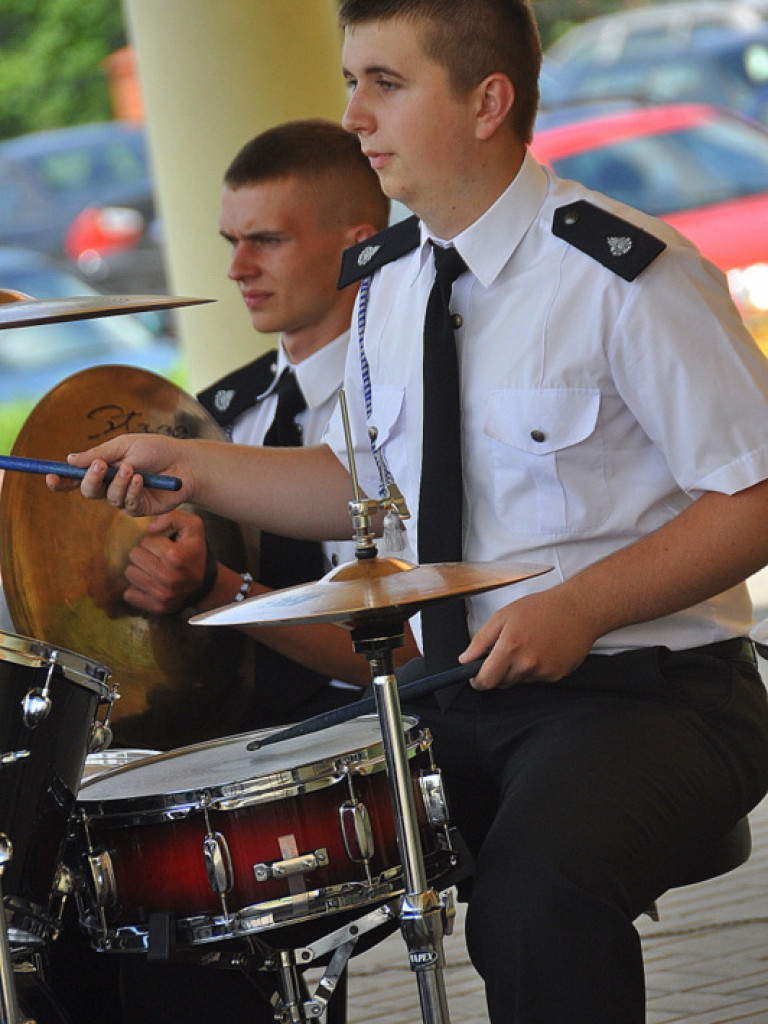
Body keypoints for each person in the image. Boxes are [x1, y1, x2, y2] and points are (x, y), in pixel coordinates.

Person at [48, 2, 768, 1022]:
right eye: (351, 82)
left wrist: (584, 607)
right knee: (156, 873)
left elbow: (756, 493)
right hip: (454, 695)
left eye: (383, 83)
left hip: (647, 693)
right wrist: (188, 467)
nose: (352, 117)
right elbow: (361, 481)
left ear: (487, 102)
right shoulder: (388, 286)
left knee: (531, 898)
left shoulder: (618, 275)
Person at [122, 118, 414, 729]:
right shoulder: (220, 414)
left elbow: (413, 654)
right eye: (232, 240)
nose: (237, 268)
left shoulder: (400, 407)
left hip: (381, 735)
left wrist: (219, 589)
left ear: (357, 246)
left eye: (267, 240)